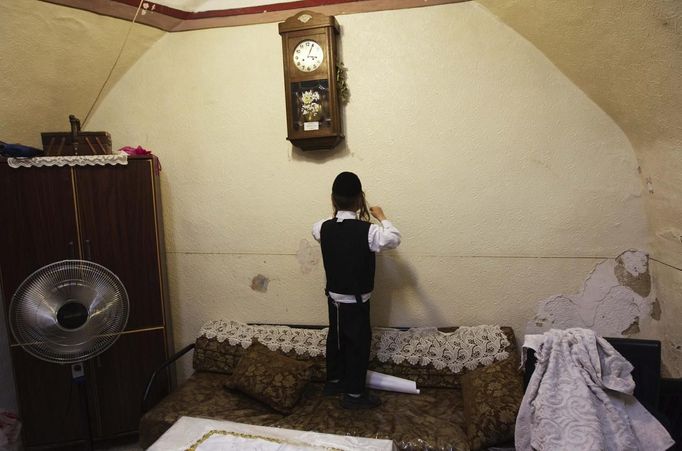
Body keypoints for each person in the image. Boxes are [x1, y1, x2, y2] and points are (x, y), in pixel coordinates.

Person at [312, 171, 401, 409]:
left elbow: (325, 229)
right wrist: (381, 216)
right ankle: (353, 395)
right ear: (360, 199)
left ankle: (334, 382)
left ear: (333, 199)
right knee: (357, 345)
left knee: (336, 340)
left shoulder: (321, 227)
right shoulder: (369, 231)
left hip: (333, 300)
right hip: (357, 302)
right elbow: (393, 238)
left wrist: (337, 215)